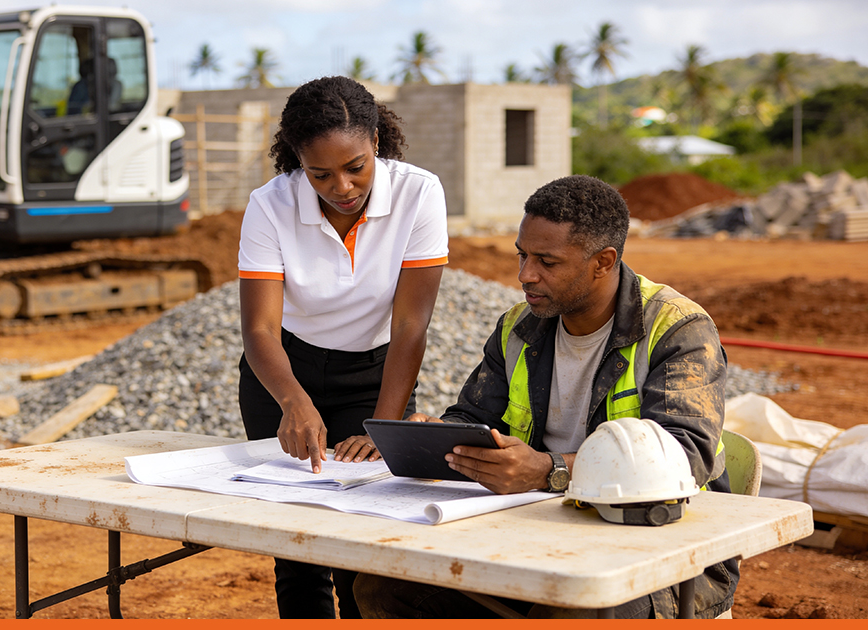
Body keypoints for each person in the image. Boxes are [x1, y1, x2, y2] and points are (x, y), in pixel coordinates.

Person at [353, 174, 738, 619]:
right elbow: (474, 416)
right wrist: (441, 436)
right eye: (522, 255)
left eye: (546, 262)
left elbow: (686, 454)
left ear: (603, 262)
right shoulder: (519, 326)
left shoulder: (677, 329)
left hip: (662, 544)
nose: (525, 275)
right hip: (540, 528)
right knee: (384, 588)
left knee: (578, 609)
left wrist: (547, 470)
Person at [238, 75, 448, 619]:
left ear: (375, 141)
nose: (342, 186)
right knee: (296, 542)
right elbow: (259, 329)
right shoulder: (270, 204)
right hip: (284, 372)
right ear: (298, 162)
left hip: (376, 375)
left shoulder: (419, 193)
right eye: (320, 174)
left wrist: (384, 425)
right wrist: (293, 401)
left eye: (355, 166)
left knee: (363, 536)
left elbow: (411, 325)